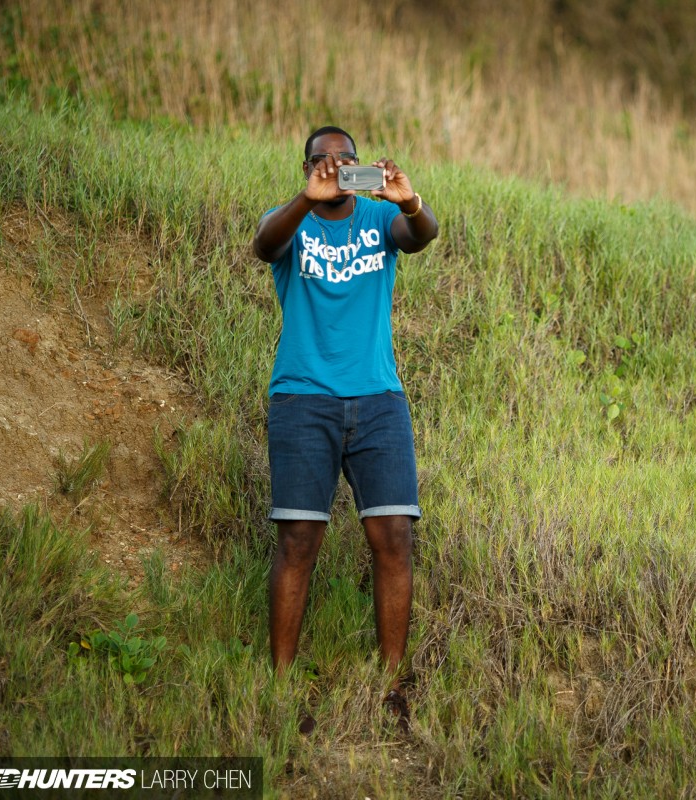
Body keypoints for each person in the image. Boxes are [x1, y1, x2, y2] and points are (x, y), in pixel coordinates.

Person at [251, 125, 439, 733]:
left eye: (345, 159)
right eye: (321, 160)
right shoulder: (290, 221)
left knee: (394, 536)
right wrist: (306, 199)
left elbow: (422, 235)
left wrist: (409, 201)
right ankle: (282, 687)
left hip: (379, 400)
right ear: (306, 168)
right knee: (298, 542)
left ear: (362, 166)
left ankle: (391, 686)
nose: (334, 167)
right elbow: (263, 245)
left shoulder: (380, 220)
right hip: (303, 399)